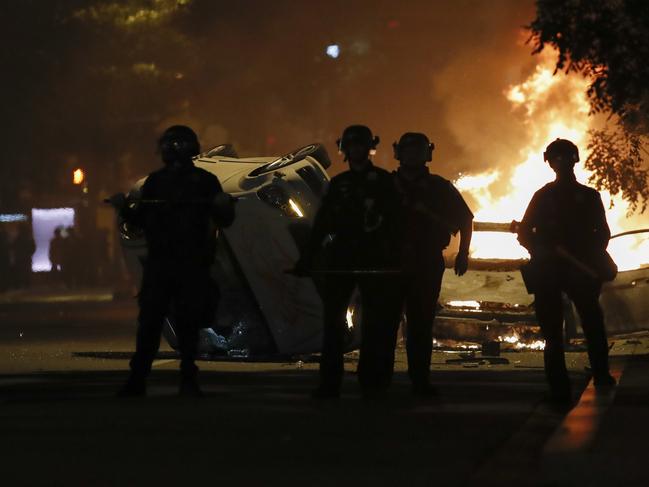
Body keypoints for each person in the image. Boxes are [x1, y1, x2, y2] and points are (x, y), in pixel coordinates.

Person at [109, 125, 235, 397]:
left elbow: (224, 219)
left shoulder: (205, 181)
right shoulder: (155, 182)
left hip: (191, 262)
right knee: (151, 323)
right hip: (162, 264)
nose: (173, 151)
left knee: (188, 323)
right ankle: (139, 378)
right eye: (170, 145)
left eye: (177, 145)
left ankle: (187, 377)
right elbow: (141, 220)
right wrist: (124, 208)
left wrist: (223, 205)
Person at [293, 125, 403, 399]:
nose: (356, 150)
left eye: (360, 144)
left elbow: (397, 222)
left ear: (369, 147)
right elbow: (322, 224)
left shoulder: (384, 181)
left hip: (374, 259)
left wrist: (396, 255)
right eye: (351, 145)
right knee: (332, 324)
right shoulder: (339, 184)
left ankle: (371, 382)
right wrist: (307, 258)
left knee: (374, 324)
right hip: (341, 259)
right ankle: (330, 384)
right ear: (345, 149)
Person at [518, 138, 616, 405]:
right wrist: (542, 251)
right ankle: (560, 390)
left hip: (579, 270)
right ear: (550, 162)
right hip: (550, 270)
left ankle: (600, 374)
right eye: (556, 158)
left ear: (574, 160)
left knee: (592, 323)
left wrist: (589, 255)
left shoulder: (588, 196)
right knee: (553, 332)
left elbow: (602, 233)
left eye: (564, 158)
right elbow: (525, 233)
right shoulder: (543, 196)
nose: (560, 163)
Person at [392, 132, 474, 397]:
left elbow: (465, 219)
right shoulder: (386, 185)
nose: (412, 155)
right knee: (384, 323)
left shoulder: (440, 187)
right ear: (399, 153)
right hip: (391, 261)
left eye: (417, 150)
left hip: (426, 260)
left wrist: (463, 253)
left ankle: (420, 380)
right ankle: (379, 378)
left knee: (421, 323)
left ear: (427, 154)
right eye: (408, 150)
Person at [12, 224, 35, 289]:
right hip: (26, 258)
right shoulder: (28, 238)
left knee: (20, 272)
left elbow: (14, 247)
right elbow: (33, 248)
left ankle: (20, 285)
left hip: (20, 258)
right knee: (26, 272)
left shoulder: (17, 239)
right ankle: (26, 285)